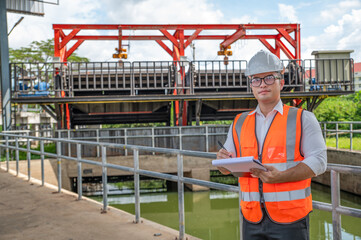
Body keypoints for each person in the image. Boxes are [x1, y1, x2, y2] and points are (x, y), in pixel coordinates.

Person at [216, 50, 327, 240]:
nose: (262, 85)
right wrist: (223, 162)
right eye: (256, 80)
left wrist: (281, 177)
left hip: (291, 218)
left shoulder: (302, 118)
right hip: (252, 218)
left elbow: (319, 161)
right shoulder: (239, 122)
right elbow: (228, 166)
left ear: (281, 82)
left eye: (269, 78)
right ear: (251, 85)